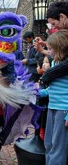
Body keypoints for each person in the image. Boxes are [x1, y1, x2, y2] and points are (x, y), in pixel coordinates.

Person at [37, 29, 68, 165]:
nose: (49, 52)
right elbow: (53, 88)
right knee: (48, 144)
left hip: (64, 110)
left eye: (50, 49)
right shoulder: (56, 63)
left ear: (59, 48)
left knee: (58, 149)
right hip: (52, 107)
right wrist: (38, 92)